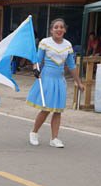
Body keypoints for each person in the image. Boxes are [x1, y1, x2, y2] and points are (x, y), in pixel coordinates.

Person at [26, 18, 85, 149]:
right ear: (51, 30)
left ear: (65, 30)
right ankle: (34, 132)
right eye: (56, 27)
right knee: (46, 109)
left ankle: (54, 138)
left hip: (60, 80)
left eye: (61, 27)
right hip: (47, 78)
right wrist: (35, 69)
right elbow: (38, 60)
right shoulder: (45, 42)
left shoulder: (68, 45)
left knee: (58, 111)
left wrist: (79, 82)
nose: (59, 29)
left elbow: (71, 65)